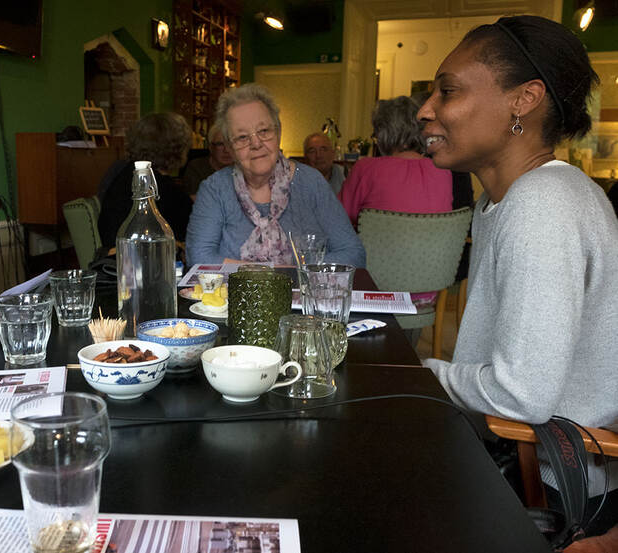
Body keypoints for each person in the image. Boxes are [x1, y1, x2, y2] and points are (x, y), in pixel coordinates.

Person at [417, 15, 618, 537]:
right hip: (519, 458)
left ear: (523, 100)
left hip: (547, 487)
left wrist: (426, 373)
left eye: (448, 91)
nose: (425, 110)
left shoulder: (542, 204)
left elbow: (522, 393)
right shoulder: (505, 200)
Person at [186, 83, 365, 267]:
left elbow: (352, 254)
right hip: (236, 296)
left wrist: (289, 275)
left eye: (264, 131)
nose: (256, 143)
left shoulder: (312, 182)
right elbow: (199, 257)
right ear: (230, 148)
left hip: (305, 294)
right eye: (242, 137)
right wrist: (272, 275)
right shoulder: (215, 189)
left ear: (278, 132)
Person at [340, 95, 453, 229]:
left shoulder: (365, 168)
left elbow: (337, 216)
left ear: (382, 133)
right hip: (433, 249)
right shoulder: (442, 171)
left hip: (376, 249)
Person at [97, 112, 194, 249]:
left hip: (112, 257)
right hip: (147, 262)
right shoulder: (164, 189)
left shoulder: (120, 171)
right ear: (178, 148)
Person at [180, 126, 233, 198]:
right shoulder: (196, 168)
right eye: (220, 144)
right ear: (211, 147)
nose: (226, 150)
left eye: (230, 144)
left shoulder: (244, 169)